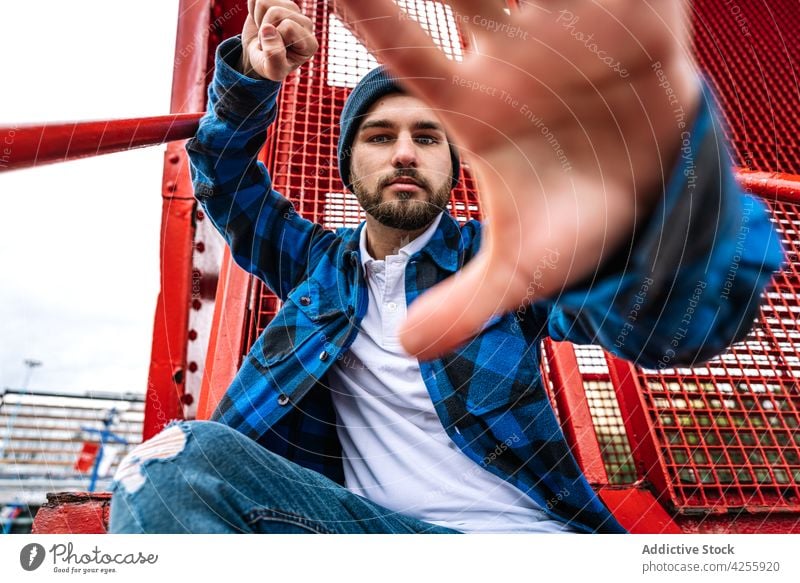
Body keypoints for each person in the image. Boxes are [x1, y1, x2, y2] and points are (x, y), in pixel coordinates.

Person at [108, 0, 784, 534]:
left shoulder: (502, 264)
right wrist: (253, 82)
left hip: (530, 540)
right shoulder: (315, 265)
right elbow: (223, 181)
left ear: (454, 164)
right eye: (380, 135)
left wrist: (669, 188)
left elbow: (675, 328)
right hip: (372, 536)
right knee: (172, 463)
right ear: (349, 165)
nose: (405, 152)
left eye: (427, 135)